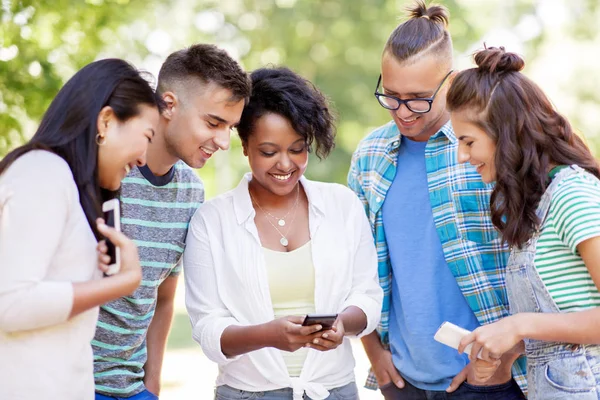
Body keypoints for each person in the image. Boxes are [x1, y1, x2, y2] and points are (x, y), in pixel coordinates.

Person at [347, 1, 528, 399]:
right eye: (390, 95)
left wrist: (506, 360)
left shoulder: (488, 148)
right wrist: (374, 352)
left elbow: (534, 259)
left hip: (490, 378)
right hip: (402, 378)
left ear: (451, 83)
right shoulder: (370, 156)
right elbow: (357, 263)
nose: (402, 111)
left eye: (417, 98)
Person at [183, 67, 383, 400]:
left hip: (334, 390)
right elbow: (207, 328)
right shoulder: (211, 221)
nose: (285, 164)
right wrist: (267, 335)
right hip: (248, 394)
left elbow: (368, 297)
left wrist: (342, 325)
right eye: (268, 151)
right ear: (245, 145)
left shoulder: (342, 205)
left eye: (297, 149)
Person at [92, 44, 251, 400]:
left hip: (133, 388)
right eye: (213, 123)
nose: (224, 141)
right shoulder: (103, 168)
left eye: (231, 128)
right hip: (69, 382)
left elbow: (163, 298)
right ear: (168, 104)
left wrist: (152, 385)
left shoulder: (191, 193)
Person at [0, 58, 162, 399]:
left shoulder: (68, 186)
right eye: (146, 136)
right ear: (105, 121)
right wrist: (122, 283)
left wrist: (99, 273)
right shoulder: (42, 171)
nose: (144, 158)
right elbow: (9, 303)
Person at [449, 46, 600, 399]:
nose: (461, 156)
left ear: (507, 132)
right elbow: (568, 319)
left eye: (468, 141)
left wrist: (518, 325)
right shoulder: (533, 207)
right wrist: (506, 346)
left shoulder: (574, 196)